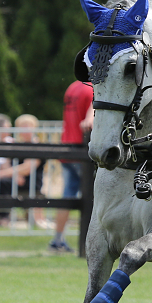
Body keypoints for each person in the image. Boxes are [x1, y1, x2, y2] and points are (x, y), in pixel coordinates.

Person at [50, 80, 93, 253]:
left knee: (67, 196)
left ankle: (57, 240)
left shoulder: (73, 86)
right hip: (82, 149)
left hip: (67, 147)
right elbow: (90, 120)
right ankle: (94, 243)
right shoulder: (93, 89)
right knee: (94, 197)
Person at [15, 114, 49, 228]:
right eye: (22, 126)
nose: (25, 129)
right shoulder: (16, 145)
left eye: (28, 126)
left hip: (33, 184)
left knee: (37, 221)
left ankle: (37, 218)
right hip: (16, 183)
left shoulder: (38, 145)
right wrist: (15, 175)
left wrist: (12, 173)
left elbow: (27, 168)